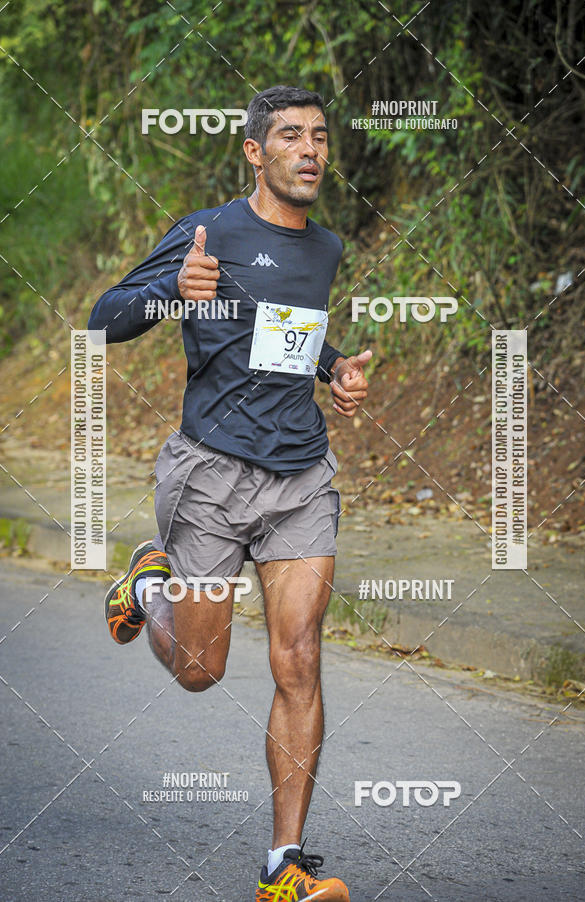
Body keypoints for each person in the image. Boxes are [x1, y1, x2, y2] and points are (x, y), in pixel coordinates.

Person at [88, 84, 372, 901]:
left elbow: (289, 331)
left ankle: (282, 866)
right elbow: (104, 317)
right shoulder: (209, 231)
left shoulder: (325, 248)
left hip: (300, 477)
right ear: (256, 152)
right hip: (210, 474)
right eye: (290, 136)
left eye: (319, 136)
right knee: (200, 671)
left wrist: (335, 371)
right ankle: (150, 584)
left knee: (300, 658)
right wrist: (173, 290)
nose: (310, 149)